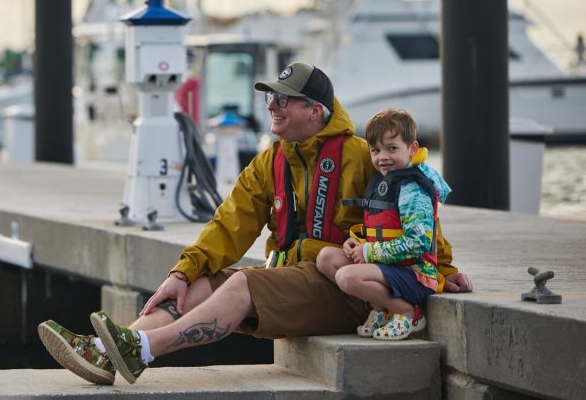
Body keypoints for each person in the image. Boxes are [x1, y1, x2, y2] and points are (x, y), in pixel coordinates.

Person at [38, 62, 473, 386]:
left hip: (343, 285)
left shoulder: (361, 155)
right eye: (270, 97)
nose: (272, 106)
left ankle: (144, 351)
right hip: (291, 278)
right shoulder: (271, 159)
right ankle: (103, 353)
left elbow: (417, 208)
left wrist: (445, 270)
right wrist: (182, 272)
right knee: (202, 284)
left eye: (283, 98)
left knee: (243, 285)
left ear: (315, 110)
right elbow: (230, 222)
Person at [316, 108, 451, 341]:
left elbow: (418, 243)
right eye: (376, 150)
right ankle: (381, 309)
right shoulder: (383, 180)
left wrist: (369, 251)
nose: (383, 157)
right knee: (326, 258)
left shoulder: (413, 189)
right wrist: (359, 243)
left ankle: (408, 312)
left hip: (415, 274)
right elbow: (384, 230)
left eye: (392, 148)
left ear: (412, 149)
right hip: (390, 267)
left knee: (347, 277)